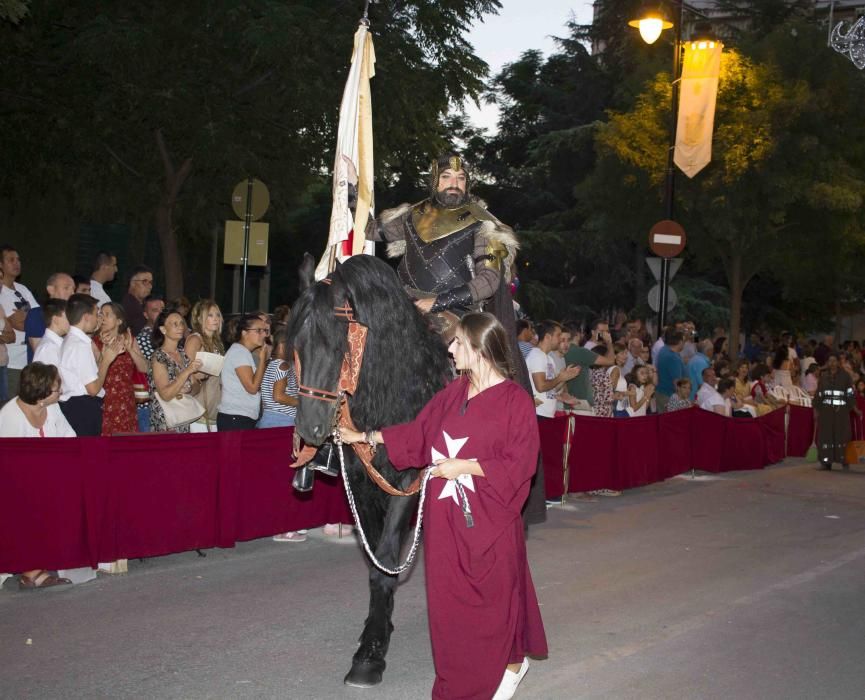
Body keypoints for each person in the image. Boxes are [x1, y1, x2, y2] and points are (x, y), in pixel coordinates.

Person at [338, 313, 547, 700]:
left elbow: (521, 464)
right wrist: (362, 435)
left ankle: (503, 670)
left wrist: (464, 466)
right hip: (445, 522)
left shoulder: (515, 400)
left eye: (458, 344)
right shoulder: (454, 392)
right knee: (450, 610)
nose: (450, 349)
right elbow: (418, 433)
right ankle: (457, 683)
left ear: (480, 348)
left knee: (490, 603)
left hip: (489, 521)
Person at [366, 153, 518, 325]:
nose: (454, 184)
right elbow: (369, 230)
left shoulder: (483, 222)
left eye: (460, 178)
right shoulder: (413, 214)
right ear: (434, 181)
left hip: (458, 317)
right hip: (407, 307)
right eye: (446, 177)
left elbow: (489, 280)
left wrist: (437, 302)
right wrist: (351, 190)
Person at [0, 362, 75, 590]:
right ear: (41, 395)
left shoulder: (52, 408)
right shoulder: (9, 417)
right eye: (56, 388)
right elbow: (9, 466)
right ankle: (30, 570)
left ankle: (43, 563)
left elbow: (70, 439)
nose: (60, 392)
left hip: (45, 478)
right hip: (13, 484)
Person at [58, 294, 122, 436]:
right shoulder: (79, 344)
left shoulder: (72, 340)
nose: (99, 319)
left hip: (77, 406)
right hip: (82, 408)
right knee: (88, 455)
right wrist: (106, 360)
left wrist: (103, 355)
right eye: (97, 314)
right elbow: (93, 389)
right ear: (86, 317)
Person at [94, 302, 147, 435]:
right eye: (101, 314)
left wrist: (129, 349)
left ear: (119, 320)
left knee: (126, 442)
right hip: (104, 399)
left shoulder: (129, 339)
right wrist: (104, 352)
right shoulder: (94, 342)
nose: (103, 318)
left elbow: (145, 368)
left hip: (126, 398)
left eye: (107, 314)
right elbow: (94, 371)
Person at [148, 308, 202, 433]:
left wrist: (189, 388)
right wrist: (187, 372)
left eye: (182, 323)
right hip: (166, 423)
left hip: (182, 418)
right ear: (163, 329)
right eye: (175, 324)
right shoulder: (159, 357)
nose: (180, 327)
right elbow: (166, 395)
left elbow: (196, 386)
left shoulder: (183, 354)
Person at [217, 313, 270, 431]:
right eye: (258, 330)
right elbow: (252, 388)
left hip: (239, 417)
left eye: (264, 331)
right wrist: (262, 360)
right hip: (235, 418)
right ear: (244, 333)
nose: (263, 334)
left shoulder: (243, 352)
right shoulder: (239, 352)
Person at [0, 244, 40, 398]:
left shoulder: (23, 289)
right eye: (11, 260)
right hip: (10, 364)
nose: (17, 263)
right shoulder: (1, 292)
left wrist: (26, 317)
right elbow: (16, 324)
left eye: (18, 259)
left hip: (28, 361)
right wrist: (28, 318)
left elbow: (39, 320)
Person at [183, 299, 224, 433]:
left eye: (217, 315)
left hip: (214, 408)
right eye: (210, 315)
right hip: (199, 409)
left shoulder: (217, 343)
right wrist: (209, 369)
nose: (215, 319)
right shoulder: (195, 339)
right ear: (200, 318)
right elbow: (188, 372)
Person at [525, 320, 579, 419]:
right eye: (558, 336)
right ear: (547, 337)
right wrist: (560, 378)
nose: (560, 339)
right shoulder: (537, 355)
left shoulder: (548, 358)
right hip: (538, 414)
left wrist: (564, 380)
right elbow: (541, 387)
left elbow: (550, 389)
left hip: (545, 414)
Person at [813, 354, 857, 471]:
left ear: (838, 362)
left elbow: (850, 393)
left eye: (834, 361)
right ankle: (826, 463)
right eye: (830, 361)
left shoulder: (845, 376)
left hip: (841, 412)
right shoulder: (823, 376)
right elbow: (819, 393)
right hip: (826, 411)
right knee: (826, 437)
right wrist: (816, 408)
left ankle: (845, 461)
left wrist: (853, 407)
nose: (832, 363)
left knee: (843, 436)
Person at [24, 272, 75, 362]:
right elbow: (39, 351)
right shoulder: (36, 314)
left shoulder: (73, 315)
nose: (72, 293)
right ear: (51, 290)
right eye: (66, 288)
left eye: (73, 289)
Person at [564, 329, 614, 410]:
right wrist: (609, 342)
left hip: (569, 401)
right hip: (580, 402)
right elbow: (610, 361)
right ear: (577, 335)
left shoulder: (563, 351)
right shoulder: (580, 351)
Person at [32, 299, 70, 368]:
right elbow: (48, 378)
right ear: (55, 319)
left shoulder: (55, 344)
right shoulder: (48, 348)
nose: (71, 320)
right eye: (68, 317)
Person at [656, 329, 686, 412]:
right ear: (680, 342)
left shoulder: (663, 349)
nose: (684, 344)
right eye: (684, 341)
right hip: (668, 396)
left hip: (661, 393)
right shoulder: (673, 357)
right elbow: (677, 382)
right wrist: (681, 400)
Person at [122, 265, 154, 335]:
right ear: (132, 283)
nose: (150, 286)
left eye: (151, 282)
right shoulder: (130, 307)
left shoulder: (141, 305)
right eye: (145, 282)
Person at [609, 342, 629, 417]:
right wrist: (627, 393)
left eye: (626, 353)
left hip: (621, 408)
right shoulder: (615, 369)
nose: (625, 356)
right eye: (622, 353)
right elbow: (610, 392)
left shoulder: (617, 369)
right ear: (614, 355)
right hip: (617, 410)